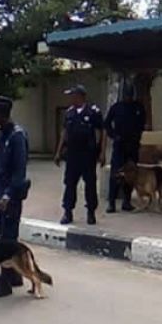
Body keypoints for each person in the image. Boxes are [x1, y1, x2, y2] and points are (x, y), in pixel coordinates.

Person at [0, 96, 30, 299]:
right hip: (0, 192)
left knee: (6, 240)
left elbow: (19, 172)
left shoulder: (17, 136)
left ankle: (4, 282)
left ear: (2, 113)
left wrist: (6, 196)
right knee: (4, 234)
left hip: (11, 197)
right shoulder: (2, 135)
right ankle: (14, 275)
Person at [54, 85, 105, 225]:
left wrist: (102, 152)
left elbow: (102, 132)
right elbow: (64, 132)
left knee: (90, 184)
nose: (71, 98)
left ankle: (91, 212)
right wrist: (58, 152)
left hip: (88, 154)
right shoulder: (70, 113)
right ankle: (68, 212)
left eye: (73, 95)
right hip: (72, 154)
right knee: (69, 184)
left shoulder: (93, 112)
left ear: (80, 96)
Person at [105, 83, 146, 213]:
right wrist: (114, 136)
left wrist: (137, 136)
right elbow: (107, 123)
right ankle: (111, 202)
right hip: (119, 145)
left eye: (130, 93)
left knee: (131, 175)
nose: (128, 96)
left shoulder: (138, 107)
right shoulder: (116, 107)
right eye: (126, 94)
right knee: (115, 174)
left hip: (132, 146)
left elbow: (142, 123)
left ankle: (126, 201)